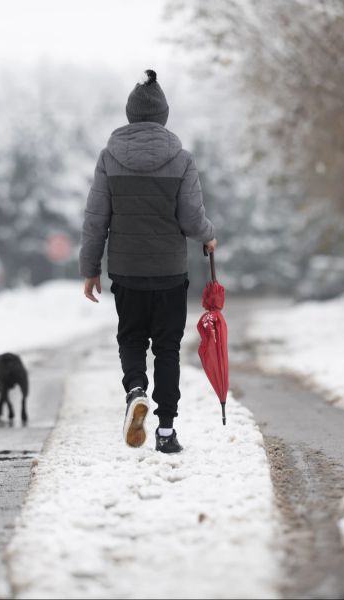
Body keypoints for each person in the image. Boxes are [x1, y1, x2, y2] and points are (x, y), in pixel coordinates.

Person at [79, 69, 217, 454]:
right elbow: (191, 219)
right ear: (163, 116)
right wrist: (208, 235)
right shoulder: (182, 159)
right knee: (168, 348)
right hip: (170, 272)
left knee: (132, 338)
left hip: (127, 270)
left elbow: (96, 219)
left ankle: (136, 388)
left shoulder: (109, 158)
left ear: (129, 114)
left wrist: (90, 269)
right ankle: (166, 431)